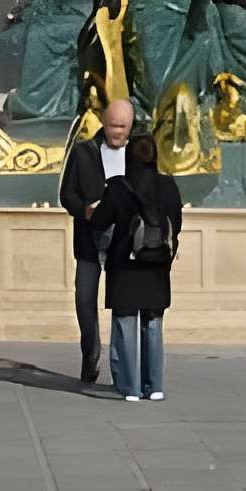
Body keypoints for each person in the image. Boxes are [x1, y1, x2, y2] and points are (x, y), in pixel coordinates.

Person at [91, 117, 184, 403]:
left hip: (126, 266)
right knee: (153, 325)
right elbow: (176, 224)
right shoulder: (168, 186)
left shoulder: (119, 187)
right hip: (156, 265)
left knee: (125, 322)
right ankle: (154, 386)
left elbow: (100, 222)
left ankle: (129, 387)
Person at [57, 96, 150, 386]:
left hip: (123, 240)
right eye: (112, 126)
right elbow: (66, 194)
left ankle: (122, 368)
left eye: (122, 127)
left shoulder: (139, 154)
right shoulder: (84, 152)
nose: (117, 132)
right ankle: (90, 352)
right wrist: (84, 209)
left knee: (122, 304)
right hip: (89, 238)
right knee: (85, 299)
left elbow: (150, 192)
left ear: (131, 126)